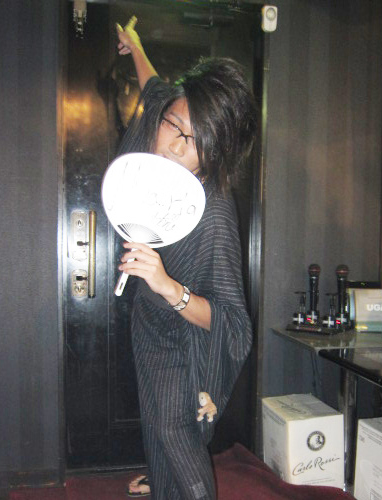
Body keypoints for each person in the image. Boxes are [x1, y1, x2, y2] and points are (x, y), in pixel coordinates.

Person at [115, 16, 257, 500]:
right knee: (157, 429)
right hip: (148, 322)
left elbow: (232, 323)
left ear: (214, 150)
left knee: (175, 432)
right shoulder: (159, 136)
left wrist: (168, 286)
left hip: (184, 343)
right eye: (173, 126)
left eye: (194, 141)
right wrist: (135, 43)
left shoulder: (213, 212)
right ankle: (162, 484)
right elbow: (154, 85)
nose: (175, 146)